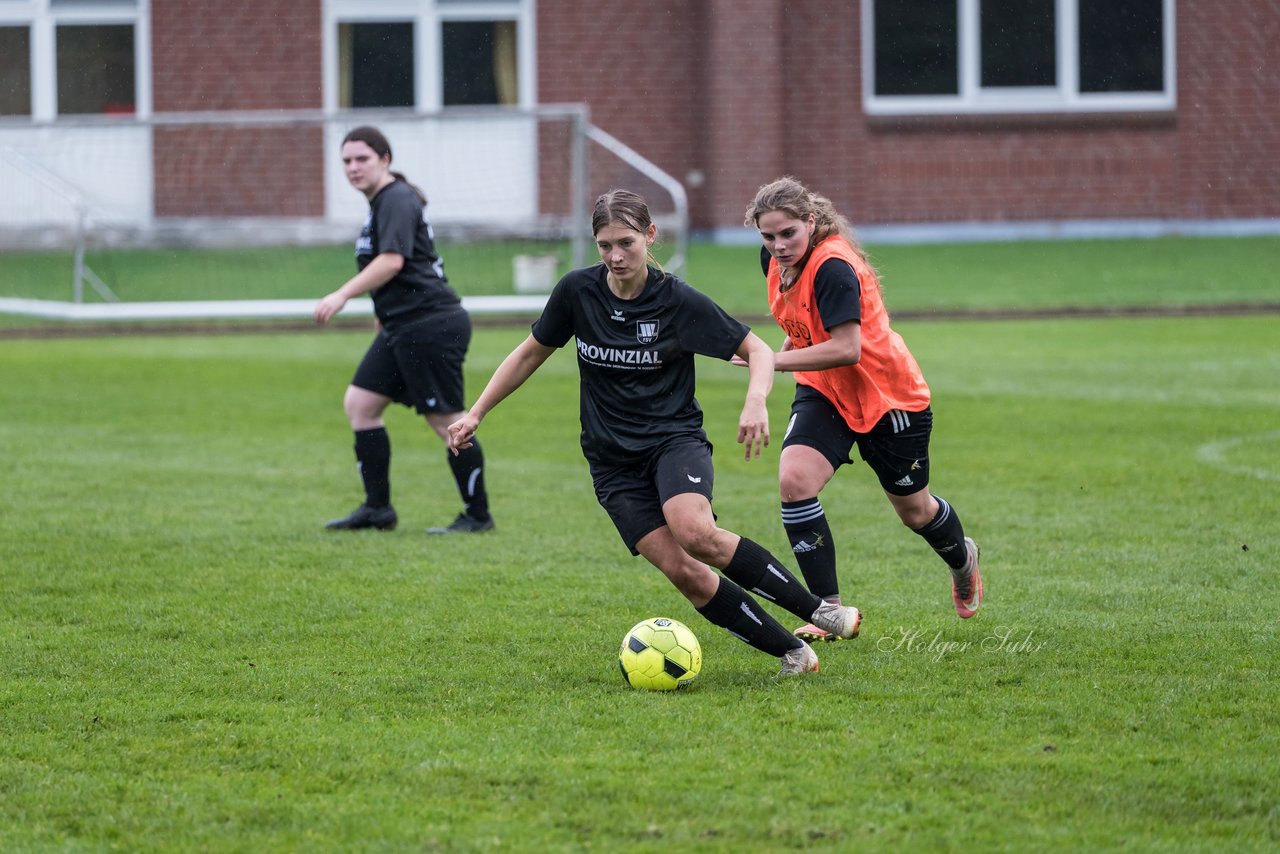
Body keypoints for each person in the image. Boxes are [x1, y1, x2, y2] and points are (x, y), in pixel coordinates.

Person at [447, 190, 860, 676]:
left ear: (650, 235)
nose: (616, 257)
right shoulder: (578, 292)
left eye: (626, 243)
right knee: (685, 573)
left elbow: (759, 351)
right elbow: (529, 353)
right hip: (610, 461)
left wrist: (755, 402)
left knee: (695, 532)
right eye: (604, 246)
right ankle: (794, 652)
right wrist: (476, 413)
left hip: (672, 442)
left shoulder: (677, 301)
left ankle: (819, 611)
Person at [741, 176, 983, 640]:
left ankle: (962, 559)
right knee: (794, 480)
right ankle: (828, 611)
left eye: (788, 233)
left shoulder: (834, 267)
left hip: (887, 398)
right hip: (825, 390)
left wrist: (769, 360)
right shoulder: (773, 262)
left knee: (915, 512)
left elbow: (848, 347)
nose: (778, 245)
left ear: (811, 222)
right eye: (767, 236)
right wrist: (776, 356)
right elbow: (803, 322)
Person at [314, 125, 493, 535]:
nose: (353, 167)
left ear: (385, 160)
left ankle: (478, 515)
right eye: (346, 161)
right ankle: (378, 510)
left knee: (449, 422)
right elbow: (401, 270)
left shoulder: (395, 197)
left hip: (429, 325)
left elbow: (393, 262)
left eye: (362, 159)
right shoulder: (382, 202)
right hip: (402, 325)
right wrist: (384, 312)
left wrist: (342, 295)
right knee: (360, 405)